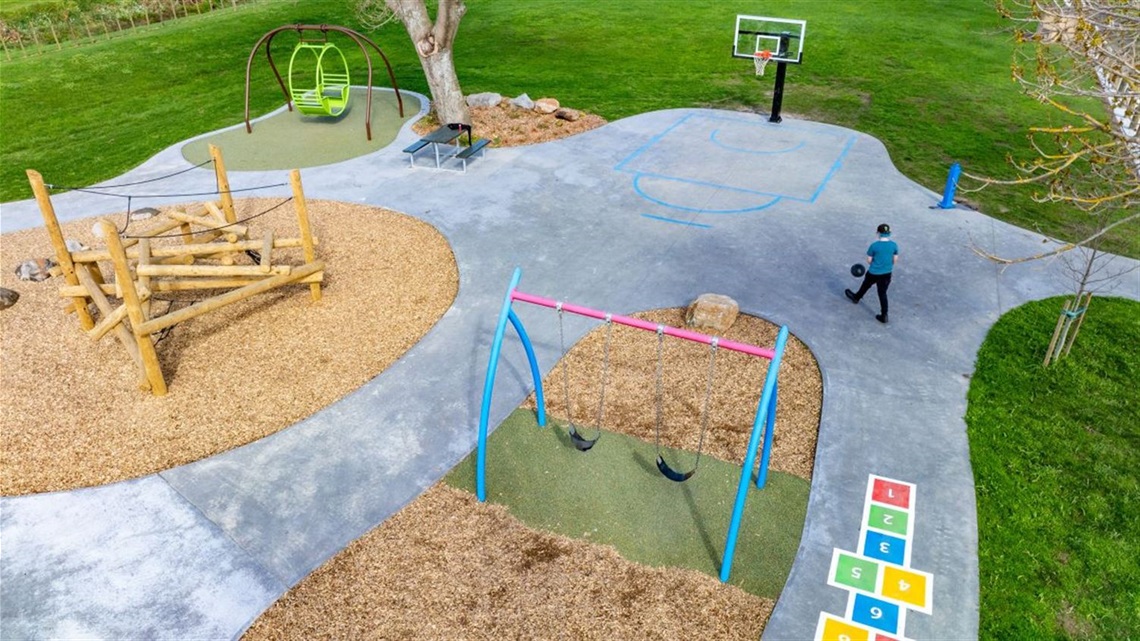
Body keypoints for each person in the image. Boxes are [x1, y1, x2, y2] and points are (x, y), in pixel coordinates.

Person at [845, 223, 898, 323]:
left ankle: (856, 298)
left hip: (874, 272)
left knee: (866, 285)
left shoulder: (874, 246)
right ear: (889, 233)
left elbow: (869, 260)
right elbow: (895, 260)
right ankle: (884, 315)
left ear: (878, 233)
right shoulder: (894, 245)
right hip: (887, 273)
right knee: (882, 293)